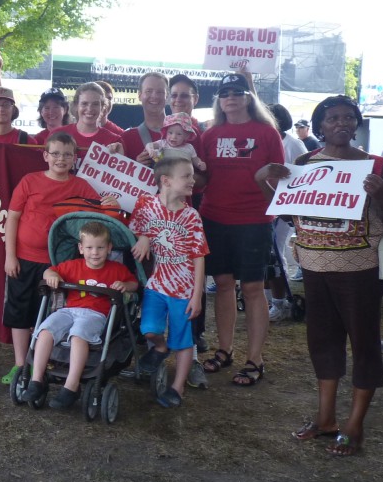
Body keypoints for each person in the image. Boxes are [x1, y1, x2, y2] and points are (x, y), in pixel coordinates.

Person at [256, 95, 383, 456]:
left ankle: (355, 426)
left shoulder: (376, 165)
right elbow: (287, 213)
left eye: (347, 118)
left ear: (355, 124)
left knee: (364, 343)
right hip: (313, 266)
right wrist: (265, 179)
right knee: (322, 342)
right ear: (320, 126)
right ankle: (325, 418)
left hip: (361, 269)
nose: (341, 123)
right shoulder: (305, 163)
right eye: (332, 118)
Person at [0, 132, 117, 381]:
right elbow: (12, 218)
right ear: (45, 156)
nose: (61, 159)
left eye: (67, 154)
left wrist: (110, 203)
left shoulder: (81, 186)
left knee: (52, 314)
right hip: (24, 258)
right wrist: (10, 255)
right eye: (55, 153)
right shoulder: (29, 181)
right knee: (20, 311)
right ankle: (21, 365)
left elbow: (99, 218)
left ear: (75, 158)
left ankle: (46, 362)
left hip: (60, 264)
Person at [199, 73, 284, 386]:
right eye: (224, 93)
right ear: (219, 100)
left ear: (249, 97)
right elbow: (202, 180)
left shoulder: (266, 133)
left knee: (251, 288)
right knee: (221, 283)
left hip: (254, 220)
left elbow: (281, 177)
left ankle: (255, 359)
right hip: (214, 218)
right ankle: (225, 349)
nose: (230, 97)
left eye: (238, 91)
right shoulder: (210, 134)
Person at [19, 220, 138, 408]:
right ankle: (36, 379)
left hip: (95, 314)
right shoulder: (72, 266)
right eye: (90, 247)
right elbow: (50, 270)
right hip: (68, 310)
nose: (95, 252)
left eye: (100, 247)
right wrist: (52, 276)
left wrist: (125, 286)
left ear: (109, 248)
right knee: (45, 330)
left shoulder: (116, 270)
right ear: (81, 248)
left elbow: (134, 284)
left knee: (78, 333)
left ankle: (71, 386)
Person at [130, 157, 208, 408]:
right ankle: (160, 349)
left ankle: (178, 387)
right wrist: (143, 237)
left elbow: (199, 256)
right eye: (186, 176)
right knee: (149, 329)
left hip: (184, 289)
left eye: (192, 175)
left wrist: (197, 295)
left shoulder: (191, 216)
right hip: (157, 284)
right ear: (165, 181)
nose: (192, 180)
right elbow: (138, 227)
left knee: (182, 338)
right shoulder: (146, 204)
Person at [265, 103, 308, 320]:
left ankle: (279, 302)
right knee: (265, 255)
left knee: (275, 253)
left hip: (284, 207)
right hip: (263, 204)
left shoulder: (293, 144)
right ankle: (267, 300)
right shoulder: (262, 140)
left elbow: (305, 173)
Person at [58, 82, 122, 167]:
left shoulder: (114, 140)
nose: (90, 109)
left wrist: (121, 155)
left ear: (102, 107)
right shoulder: (57, 135)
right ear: (76, 105)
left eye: (95, 104)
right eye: (84, 103)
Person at [120, 72, 171, 162]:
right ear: (139, 96)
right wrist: (135, 168)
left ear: (167, 96)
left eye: (160, 92)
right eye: (148, 91)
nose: (154, 96)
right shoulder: (127, 139)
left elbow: (202, 175)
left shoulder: (185, 133)